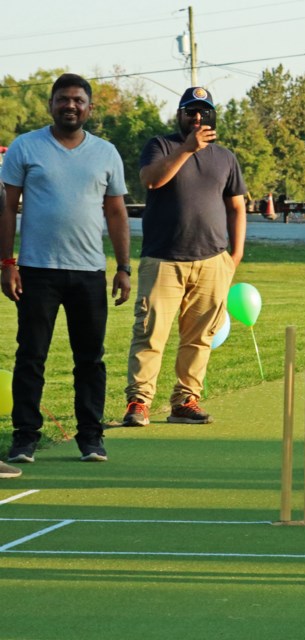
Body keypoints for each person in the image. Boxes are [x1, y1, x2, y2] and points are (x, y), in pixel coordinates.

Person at [0, 73, 131, 464]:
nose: (70, 105)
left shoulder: (106, 153)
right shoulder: (25, 147)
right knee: (31, 356)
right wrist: (7, 262)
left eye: (77, 100)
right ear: (51, 105)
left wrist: (123, 267)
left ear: (89, 108)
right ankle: (25, 438)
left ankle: (91, 437)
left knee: (90, 357)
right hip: (37, 270)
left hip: (88, 272)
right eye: (63, 99)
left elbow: (116, 211)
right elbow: (7, 208)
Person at [121, 87, 246, 427]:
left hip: (212, 260)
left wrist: (235, 254)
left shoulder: (225, 157)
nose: (197, 118)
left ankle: (185, 401)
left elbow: (236, 206)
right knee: (150, 333)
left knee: (200, 336)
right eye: (190, 111)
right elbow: (151, 180)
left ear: (212, 116)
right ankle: (139, 402)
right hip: (163, 259)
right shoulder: (161, 146)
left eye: (203, 112)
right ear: (179, 115)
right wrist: (187, 150)